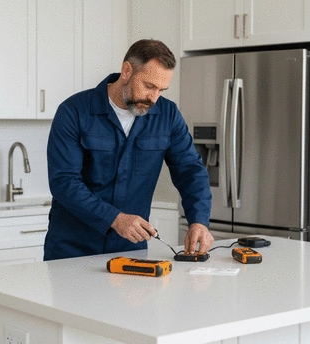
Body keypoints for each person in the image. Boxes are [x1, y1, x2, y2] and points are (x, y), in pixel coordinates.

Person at [44, 39, 213, 261]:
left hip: (130, 250)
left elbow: (190, 170)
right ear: (126, 71)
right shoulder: (74, 112)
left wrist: (199, 220)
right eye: (149, 86)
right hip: (72, 250)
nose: (154, 98)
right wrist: (115, 218)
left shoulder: (168, 115)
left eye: (161, 90)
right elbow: (64, 182)